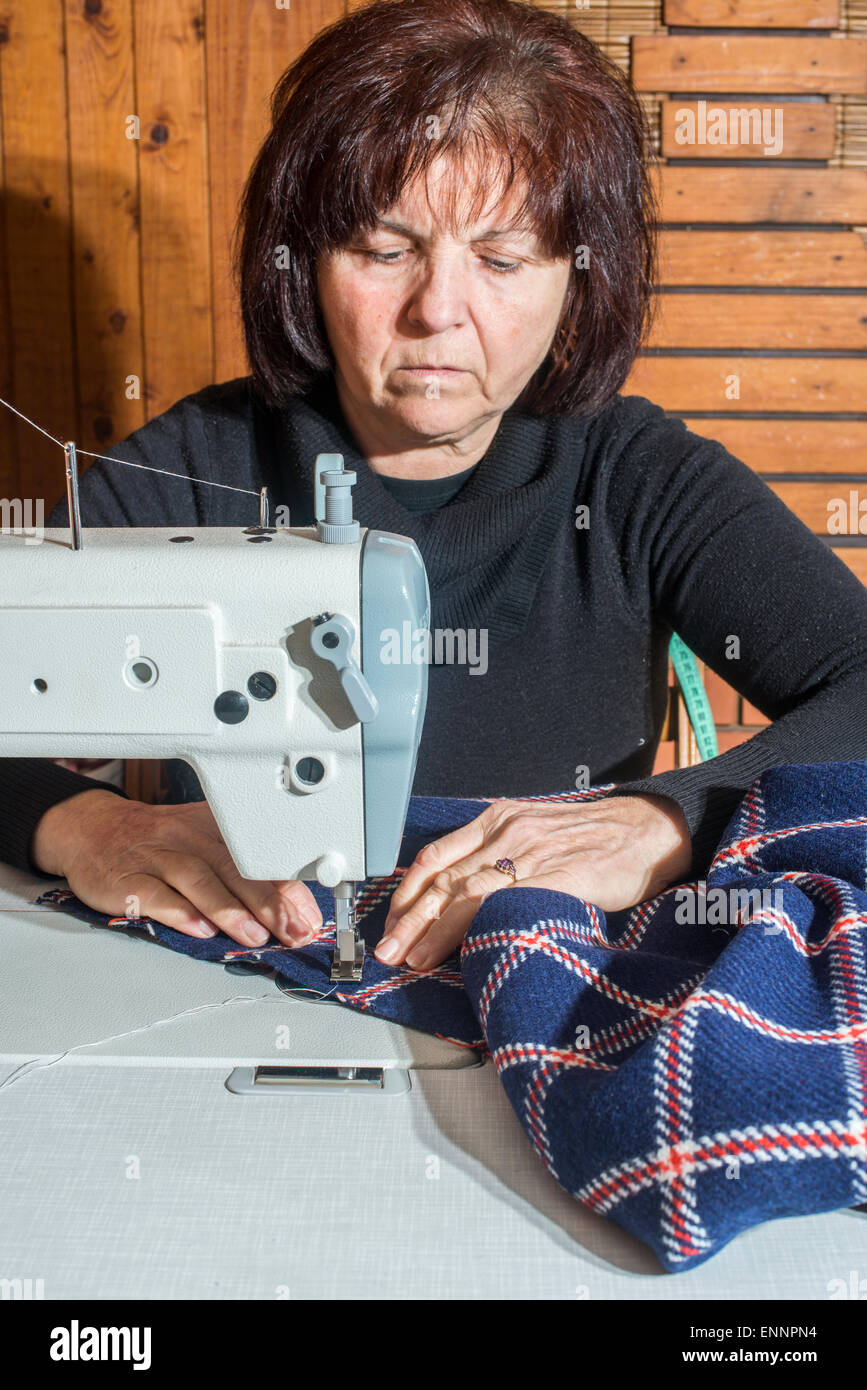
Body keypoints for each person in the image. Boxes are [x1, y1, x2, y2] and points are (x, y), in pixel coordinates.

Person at [3, 0, 865, 975]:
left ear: (579, 279)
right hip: (233, 975)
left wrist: (665, 817)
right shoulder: (193, 469)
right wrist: (80, 822)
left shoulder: (635, 479)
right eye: (384, 251)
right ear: (303, 263)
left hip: (535, 988)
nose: (438, 312)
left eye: (500, 259)